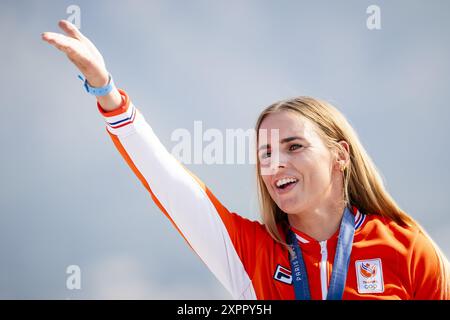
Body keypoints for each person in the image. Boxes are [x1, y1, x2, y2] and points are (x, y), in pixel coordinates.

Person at [42, 20, 450, 300]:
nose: (275, 165)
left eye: (293, 146)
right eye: (265, 153)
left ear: (339, 155)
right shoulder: (252, 254)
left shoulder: (408, 249)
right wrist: (105, 89)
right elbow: (168, 182)